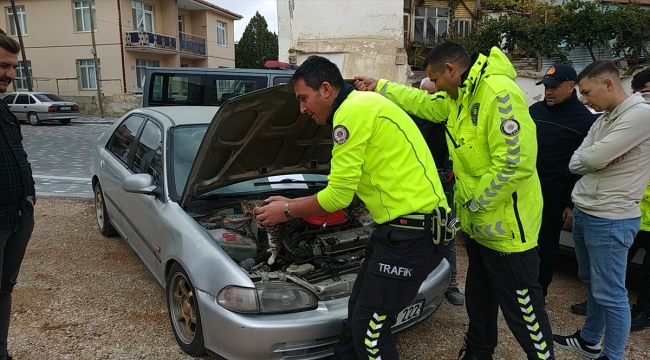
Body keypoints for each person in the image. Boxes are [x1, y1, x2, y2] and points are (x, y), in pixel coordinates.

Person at [354, 41, 554, 360]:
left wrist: (473, 205)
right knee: (479, 304)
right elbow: (422, 102)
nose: (434, 87)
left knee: (525, 317)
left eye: (436, 80)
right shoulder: (458, 97)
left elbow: (515, 163)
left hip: (507, 237)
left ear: (451, 70)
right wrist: (381, 87)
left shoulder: (498, 94)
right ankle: (477, 354)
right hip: (479, 232)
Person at [254, 55, 455, 360]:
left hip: (411, 235)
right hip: (403, 230)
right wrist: (291, 202)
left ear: (325, 89)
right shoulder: (364, 104)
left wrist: (286, 210)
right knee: (358, 311)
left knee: (369, 329)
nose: (302, 109)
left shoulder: (350, 113)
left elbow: (338, 198)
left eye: (303, 98)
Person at [553, 61, 650, 360]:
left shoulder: (640, 115)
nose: (584, 100)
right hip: (587, 210)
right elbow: (578, 159)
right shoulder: (607, 116)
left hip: (611, 217)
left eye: (586, 92)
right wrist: (594, 158)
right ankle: (589, 340)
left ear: (608, 84)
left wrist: (594, 157)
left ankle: (612, 354)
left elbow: (592, 158)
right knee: (593, 283)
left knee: (611, 293)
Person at [529, 64, 597, 297]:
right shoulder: (534, 111)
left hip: (555, 196)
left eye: (554, 87)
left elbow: (587, 167)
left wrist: (570, 203)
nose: (549, 91)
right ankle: (517, 289)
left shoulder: (585, 121)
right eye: (546, 86)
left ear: (571, 87)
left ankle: (538, 294)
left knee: (546, 246)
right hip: (525, 190)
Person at [412, 77, 465, 307]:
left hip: (448, 185)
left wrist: (451, 172)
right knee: (417, 232)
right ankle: (417, 281)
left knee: (448, 233)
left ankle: (451, 282)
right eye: (429, 95)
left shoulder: (452, 117)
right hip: (420, 185)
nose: (434, 99)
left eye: (437, 94)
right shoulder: (413, 120)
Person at [0, 29, 36, 360]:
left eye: (13, 66)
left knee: (3, 290)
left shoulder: (4, 111)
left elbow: (19, 157)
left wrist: (30, 198)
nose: (11, 74)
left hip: (17, 218)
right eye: (2, 66)